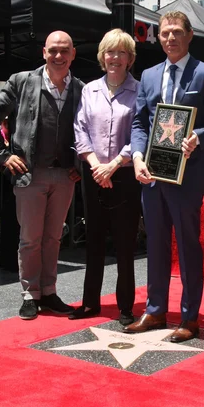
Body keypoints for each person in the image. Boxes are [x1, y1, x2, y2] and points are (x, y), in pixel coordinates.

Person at [126, 11, 204, 343]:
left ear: (190, 35)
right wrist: (137, 156)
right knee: (155, 244)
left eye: (177, 32)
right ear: (158, 37)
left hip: (188, 175)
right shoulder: (149, 75)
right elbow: (139, 124)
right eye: (165, 33)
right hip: (151, 174)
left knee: (188, 245)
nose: (170, 38)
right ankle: (155, 310)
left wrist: (199, 137)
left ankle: (190, 317)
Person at [0, 31, 83, 320]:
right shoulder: (22, 81)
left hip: (65, 175)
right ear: (44, 52)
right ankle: (29, 293)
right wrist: (3, 155)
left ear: (73, 54)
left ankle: (48, 291)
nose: (59, 56)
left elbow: (89, 129)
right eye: (53, 50)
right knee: (30, 239)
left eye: (64, 51)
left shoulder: (81, 88)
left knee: (53, 238)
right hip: (30, 174)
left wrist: (80, 162)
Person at [70, 29, 141, 324]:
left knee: (125, 242)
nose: (115, 57)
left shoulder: (139, 90)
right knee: (95, 239)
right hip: (93, 173)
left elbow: (140, 131)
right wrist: (95, 164)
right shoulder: (89, 90)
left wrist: (112, 165)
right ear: (102, 57)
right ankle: (90, 303)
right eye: (110, 52)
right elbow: (80, 128)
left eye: (121, 52)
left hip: (124, 175)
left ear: (130, 59)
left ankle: (125, 306)